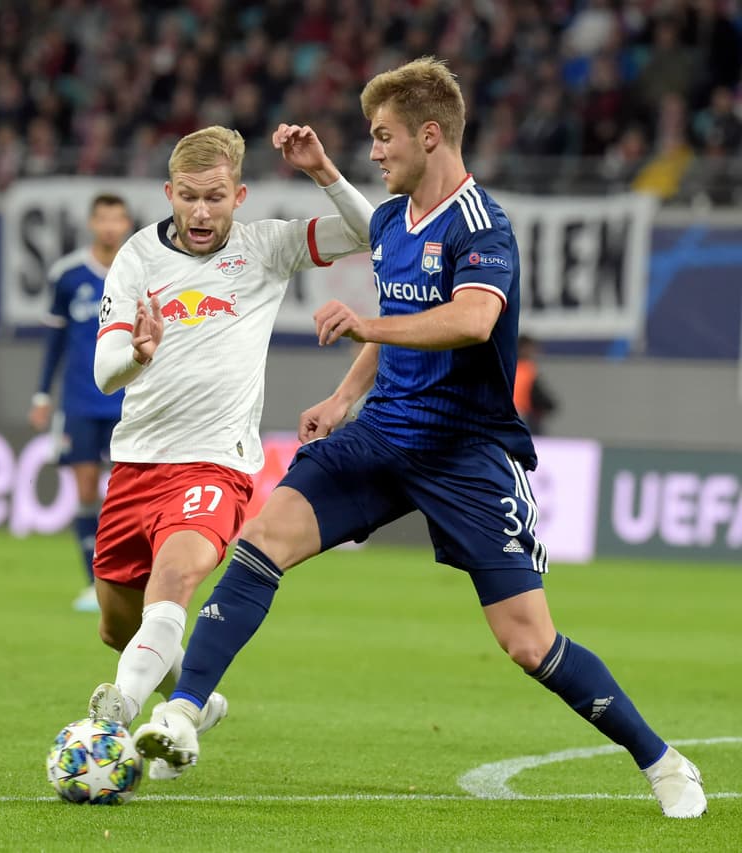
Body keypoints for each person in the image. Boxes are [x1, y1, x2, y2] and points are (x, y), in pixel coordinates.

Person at [132, 57, 706, 820]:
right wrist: (344, 395)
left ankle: (663, 760)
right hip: (382, 436)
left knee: (528, 642)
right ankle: (183, 711)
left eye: (383, 137)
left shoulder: (482, 226)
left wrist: (364, 322)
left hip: (467, 455)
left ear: (429, 136)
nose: (376, 152)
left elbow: (471, 320)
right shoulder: (394, 222)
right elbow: (400, 309)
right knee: (262, 538)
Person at [83, 124, 374, 779]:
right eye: (188, 197)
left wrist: (323, 168)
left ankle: (118, 712)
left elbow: (366, 232)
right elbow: (102, 370)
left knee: (175, 579)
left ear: (239, 195)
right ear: (169, 193)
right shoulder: (136, 256)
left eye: (216, 197)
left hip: (217, 461)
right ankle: (198, 701)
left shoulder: (264, 247)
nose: (202, 211)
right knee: (117, 626)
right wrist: (136, 352)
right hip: (136, 463)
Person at [28, 193, 134, 613]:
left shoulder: (140, 270)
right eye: (102, 218)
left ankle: (127, 578)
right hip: (80, 403)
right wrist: (41, 395)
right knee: (87, 489)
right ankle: (94, 583)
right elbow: (54, 342)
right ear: (92, 223)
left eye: (117, 218)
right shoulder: (68, 275)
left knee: (126, 494)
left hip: (128, 402)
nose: (109, 226)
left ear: (126, 224)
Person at [513, 334, 558, 434]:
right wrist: (549, 405)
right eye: (531, 349)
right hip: (522, 416)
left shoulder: (509, 365)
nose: (534, 353)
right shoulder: (525, 368)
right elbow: (536, 394)